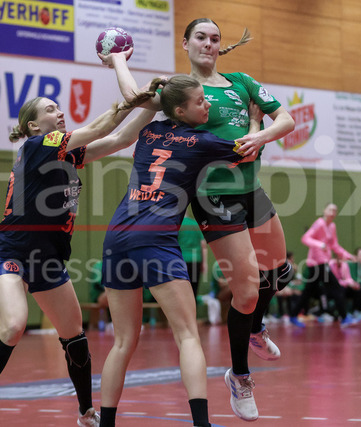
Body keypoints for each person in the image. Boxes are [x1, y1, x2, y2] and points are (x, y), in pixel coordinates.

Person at [100, 19, 296, 421]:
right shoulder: (182, 90)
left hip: (251, 189)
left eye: (215, 38)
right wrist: (119, 60)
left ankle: (255, 327)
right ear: (186, 43)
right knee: (246, 292)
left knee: (280, 270)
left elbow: (287, 120)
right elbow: (134, 99)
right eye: (201, 37)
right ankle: (240, 376)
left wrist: (260, 135)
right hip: (213, 196)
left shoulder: (241, 82)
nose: (208, 43)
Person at [0, 94, 155, 427]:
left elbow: (120, 139)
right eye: (50, 109)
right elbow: (100, 128)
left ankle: (86, 413)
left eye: (58, 108)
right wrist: (134, 98)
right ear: (33, 125)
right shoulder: (36, 146)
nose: (59, 112)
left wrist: (152, 107)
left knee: (74, 336)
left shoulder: (66, 154)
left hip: (48, 261)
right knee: (14, 325)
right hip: (11, 253)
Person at [98, 74, 260, 427]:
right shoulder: (203, 141)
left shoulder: (149, 132)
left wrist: (153, 94)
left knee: (123, 342)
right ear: (181, 111)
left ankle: (105, 423)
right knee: (187, 335)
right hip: (155, 237)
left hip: (117, 236)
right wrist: (254, 120)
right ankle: (201, 424)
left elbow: (143, 112)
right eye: (200, 101)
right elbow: (249, 150)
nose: (208, 104)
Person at [291, 204, 358, 328]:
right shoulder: (319, 223)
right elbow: (305, 238)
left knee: (308, 292)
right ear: (324, 211)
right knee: (336, 288)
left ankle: (293, 315)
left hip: (322, 264)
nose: (333, 212)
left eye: (335, 210)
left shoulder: (332, 226)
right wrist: (320, 244)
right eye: (330, 209)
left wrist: (348, 256)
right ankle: (344, 317)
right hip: (318, 264)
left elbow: (335, 245)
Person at [178, 214, 208, 298]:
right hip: (196, 260)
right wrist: (204, 263)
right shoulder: (195, 224)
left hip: (181, 260)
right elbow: (203, 244)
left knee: (182, 290)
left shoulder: (177, 224)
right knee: (194, 289)